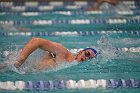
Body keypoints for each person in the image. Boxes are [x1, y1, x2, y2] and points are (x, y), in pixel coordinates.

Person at [1, 37, 97, 70]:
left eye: (89, 58)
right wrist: (20, 61)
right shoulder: (63, 52)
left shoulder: (71, 66)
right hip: (16, 67)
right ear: (81, 51)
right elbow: (36, 41)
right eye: (87, 54)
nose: (86, 58)